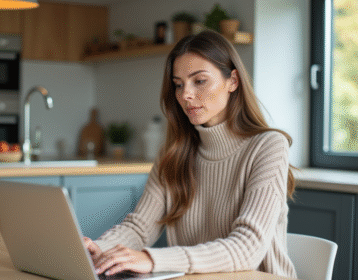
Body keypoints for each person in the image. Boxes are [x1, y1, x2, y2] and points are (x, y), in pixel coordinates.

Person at [84, 30, 297, 278]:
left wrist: (152, 259)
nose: (186, 95)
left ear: (233, 81)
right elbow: (140, 228)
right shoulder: (175, 153)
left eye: (200, 81)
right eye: (178, 85)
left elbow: (247, 248)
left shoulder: (269, 146)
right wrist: (97, 249)